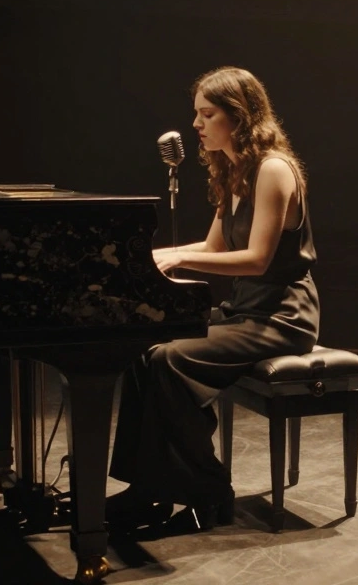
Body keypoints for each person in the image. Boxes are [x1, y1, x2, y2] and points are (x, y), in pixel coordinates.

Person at [106, 66, 319, 532]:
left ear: (238, 118)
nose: (197, 125)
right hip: (249, 311)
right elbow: (212, 248)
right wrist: (149, 257)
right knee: (145, 352)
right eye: (196, 115)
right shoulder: (235, 171)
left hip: (283, 317)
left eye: (207, 114)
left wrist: (176, 260)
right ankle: (148, 488)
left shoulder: (274, 170)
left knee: (170, 361)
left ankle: (208, 489)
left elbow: (258, 260)